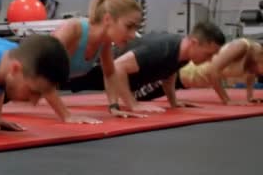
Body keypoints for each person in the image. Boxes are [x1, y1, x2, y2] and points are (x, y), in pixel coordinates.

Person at [67, 21, 226, 113]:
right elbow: (118, 66)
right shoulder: (163, 48)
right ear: (194, 43)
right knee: (53, 81)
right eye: (209, 54)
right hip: (95, 68)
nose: (210, 60)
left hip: (115, 76)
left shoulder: (184, 53)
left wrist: (173, 102)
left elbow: (168, 74)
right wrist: (132, 104)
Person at [48, 0, 143, 123]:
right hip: (16, 74)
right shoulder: (73, 29)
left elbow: (109, 73)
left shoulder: (105, 41)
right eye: (129, 26)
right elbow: (42, 71)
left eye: (135, 28)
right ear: (108, 19)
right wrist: (66, 115)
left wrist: (114, 106)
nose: (133, 35)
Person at [135, 37, 263, 105]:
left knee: (140, 97)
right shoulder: (242, 46)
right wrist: (227, 100)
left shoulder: (254, 59)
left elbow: (250, 75)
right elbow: (214, 69)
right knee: (136, 97)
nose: (259, 75)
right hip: (181, 71)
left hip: (184, 82)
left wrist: (250, 96)